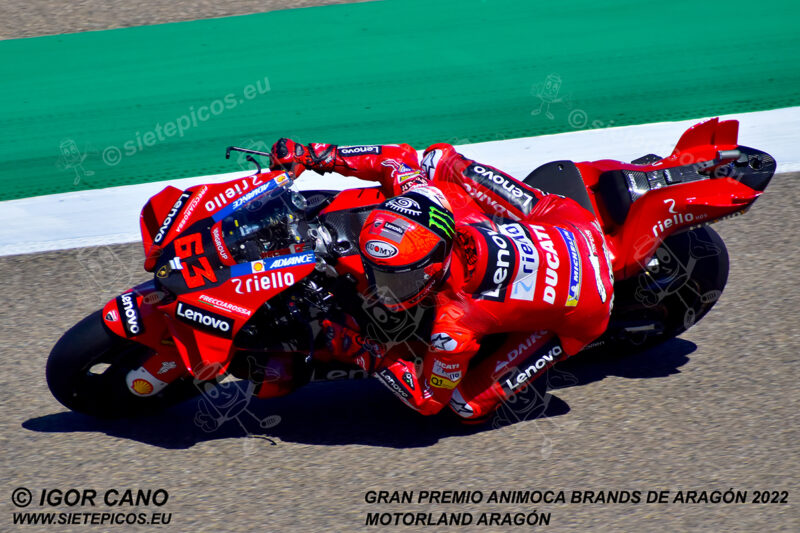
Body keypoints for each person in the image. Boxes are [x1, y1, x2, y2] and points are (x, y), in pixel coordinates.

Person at [269, 138, 614, 421]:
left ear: (434, 266)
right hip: (571, 223)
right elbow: (395, 159)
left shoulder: (455, 325)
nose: (380, 287)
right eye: (378, 271)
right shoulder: (441, 202)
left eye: (398, 278)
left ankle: (559, 337)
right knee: (437, 159)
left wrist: (363, 351)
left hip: (590, 306)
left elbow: (427, 400)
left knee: (465, 405)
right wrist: (316, 154)